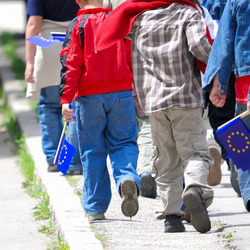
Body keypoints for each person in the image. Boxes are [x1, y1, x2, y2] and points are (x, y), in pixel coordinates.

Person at [96, 0, 215, 233]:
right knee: (196, 154)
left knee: (165, 160)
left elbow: (133, 58)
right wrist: (217, 67)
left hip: (155, 103)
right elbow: (200, 48)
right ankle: (193, 188)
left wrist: (138, 97)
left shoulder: (139, 20)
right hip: (186, 99)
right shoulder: (188, 14)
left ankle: (172, 216)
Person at [59, 0, 141, 221]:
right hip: (121, 93)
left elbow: (71, 62)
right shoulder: (118, 20)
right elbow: (130, 56)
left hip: (88, 97)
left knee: (93, 151)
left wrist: (66, 99)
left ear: (78, 0)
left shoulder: (77, 25)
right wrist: (137, 90)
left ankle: (95, 208)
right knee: (124, 142)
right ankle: (126, 177)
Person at [203, 0, 250, 212]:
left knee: (246, 141)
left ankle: (248, 192)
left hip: (245, 82)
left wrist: (220, 84)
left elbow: (225, 42)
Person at [24, 0, 81, 173]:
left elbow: (34, 25)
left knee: (49, 107)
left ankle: (55, 159)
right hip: (75, 47)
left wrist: (29, 63)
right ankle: (73, 162)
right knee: (74, 109)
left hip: (48, 46)